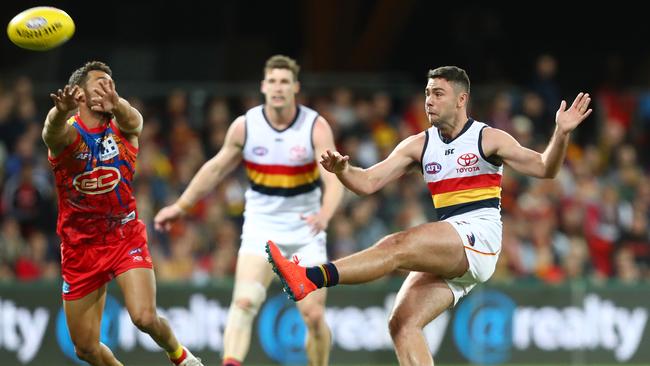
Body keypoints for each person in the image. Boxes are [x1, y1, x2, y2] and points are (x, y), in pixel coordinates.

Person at [266, 66, 592, 365]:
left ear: (461, 99)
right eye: (427, 93)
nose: (429, 101)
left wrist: (561, 133)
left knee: (396, 245)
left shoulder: (487, 137)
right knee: (402, 324)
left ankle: (311, 277)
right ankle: (310, 278)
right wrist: (343, 170)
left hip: (479, 235)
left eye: (438, 94)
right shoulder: (418, 145)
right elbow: (366, 183)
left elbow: (546, 168)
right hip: (452, 242)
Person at [154, 55, 344, 366]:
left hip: (305, 229)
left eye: (284, 81)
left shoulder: (314, 126)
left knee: (313, 315)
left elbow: (334, 178)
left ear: (295, 87)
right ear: (263, 86)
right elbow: (214, 169)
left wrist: (325, 213)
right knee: (243, 302)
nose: (278, 88)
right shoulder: (246, 126)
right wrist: (180, 206)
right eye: (272, 81)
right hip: (262, 226)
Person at [43, 61, 203, 366]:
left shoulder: (123, 127)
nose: (108, 88)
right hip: (80, 248)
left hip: (123, 235)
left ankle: (182, 357)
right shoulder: (67, 135)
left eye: (110, 83)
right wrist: (61, 111)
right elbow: (51, 132)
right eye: (99, 83)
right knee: (85, 348)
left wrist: (116, 103)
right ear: (78, 93)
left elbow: (135, 120)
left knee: (144, 317)